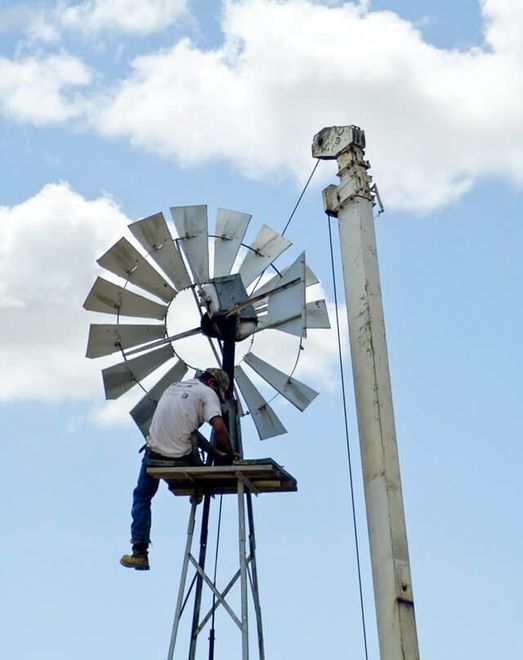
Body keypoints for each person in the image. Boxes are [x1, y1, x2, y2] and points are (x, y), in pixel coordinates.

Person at [120, 368, 239, 571]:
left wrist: (213, 451)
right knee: (195, 471)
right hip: (180, 458)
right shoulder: (207, 393)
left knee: (142, 496)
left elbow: (185, 428)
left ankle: (139, 552)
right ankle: (197, 488)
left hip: (153, 454)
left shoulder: (174, 386)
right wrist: (230, 452)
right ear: (212, 384)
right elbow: (218, 427)